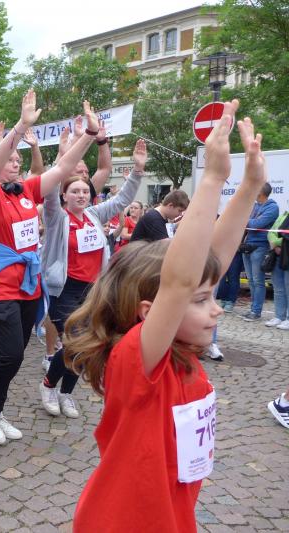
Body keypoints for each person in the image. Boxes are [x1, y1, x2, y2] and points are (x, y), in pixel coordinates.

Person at [69, 100, 264, 532]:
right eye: (201, 300)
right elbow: (180, 281)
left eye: (210, 298)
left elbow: (210, 262)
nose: (215, 308)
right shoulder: (138, 361)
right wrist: (212, 179)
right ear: (149, 313)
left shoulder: (180, 350)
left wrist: (250, 186)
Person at [0, 97, 102, 445]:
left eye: (18, 159)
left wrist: (89, 134)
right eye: (10, 158)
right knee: (8, 353)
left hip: (28, 282)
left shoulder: (26, 190)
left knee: (16, 355)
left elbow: (64, 168)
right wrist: (21, 127)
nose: (16, 162)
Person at [38, 138, 146, 419]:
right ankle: (48, 385)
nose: (81, 196)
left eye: (85, 191)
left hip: (92, 291)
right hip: (64, 291)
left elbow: (122, 200)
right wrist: (62, 159)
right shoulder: (57, 217)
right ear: (64, 196)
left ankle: (66, 393)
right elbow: (49, 192)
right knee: (73, 343)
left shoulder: (94, 215)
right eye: (75, 191)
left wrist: (137, 171)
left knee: (88, 345)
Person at [240, 182, 279, 321]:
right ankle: (253, 309)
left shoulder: (273, 207)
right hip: (247, 246)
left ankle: (256, 311)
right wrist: (249, 220)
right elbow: (248, 221)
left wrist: (246, 219)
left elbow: (257, 224)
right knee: (251, 280)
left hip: (259, 247)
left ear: (261, 192)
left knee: (258, 281)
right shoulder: (255, 206)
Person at [266, 210, 289, 329]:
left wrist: (276, 242)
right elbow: (271, 232)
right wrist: (275, 244)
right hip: (277, 255)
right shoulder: (284, 215)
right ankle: (279, 316)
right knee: (278, 288)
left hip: (287, 254)